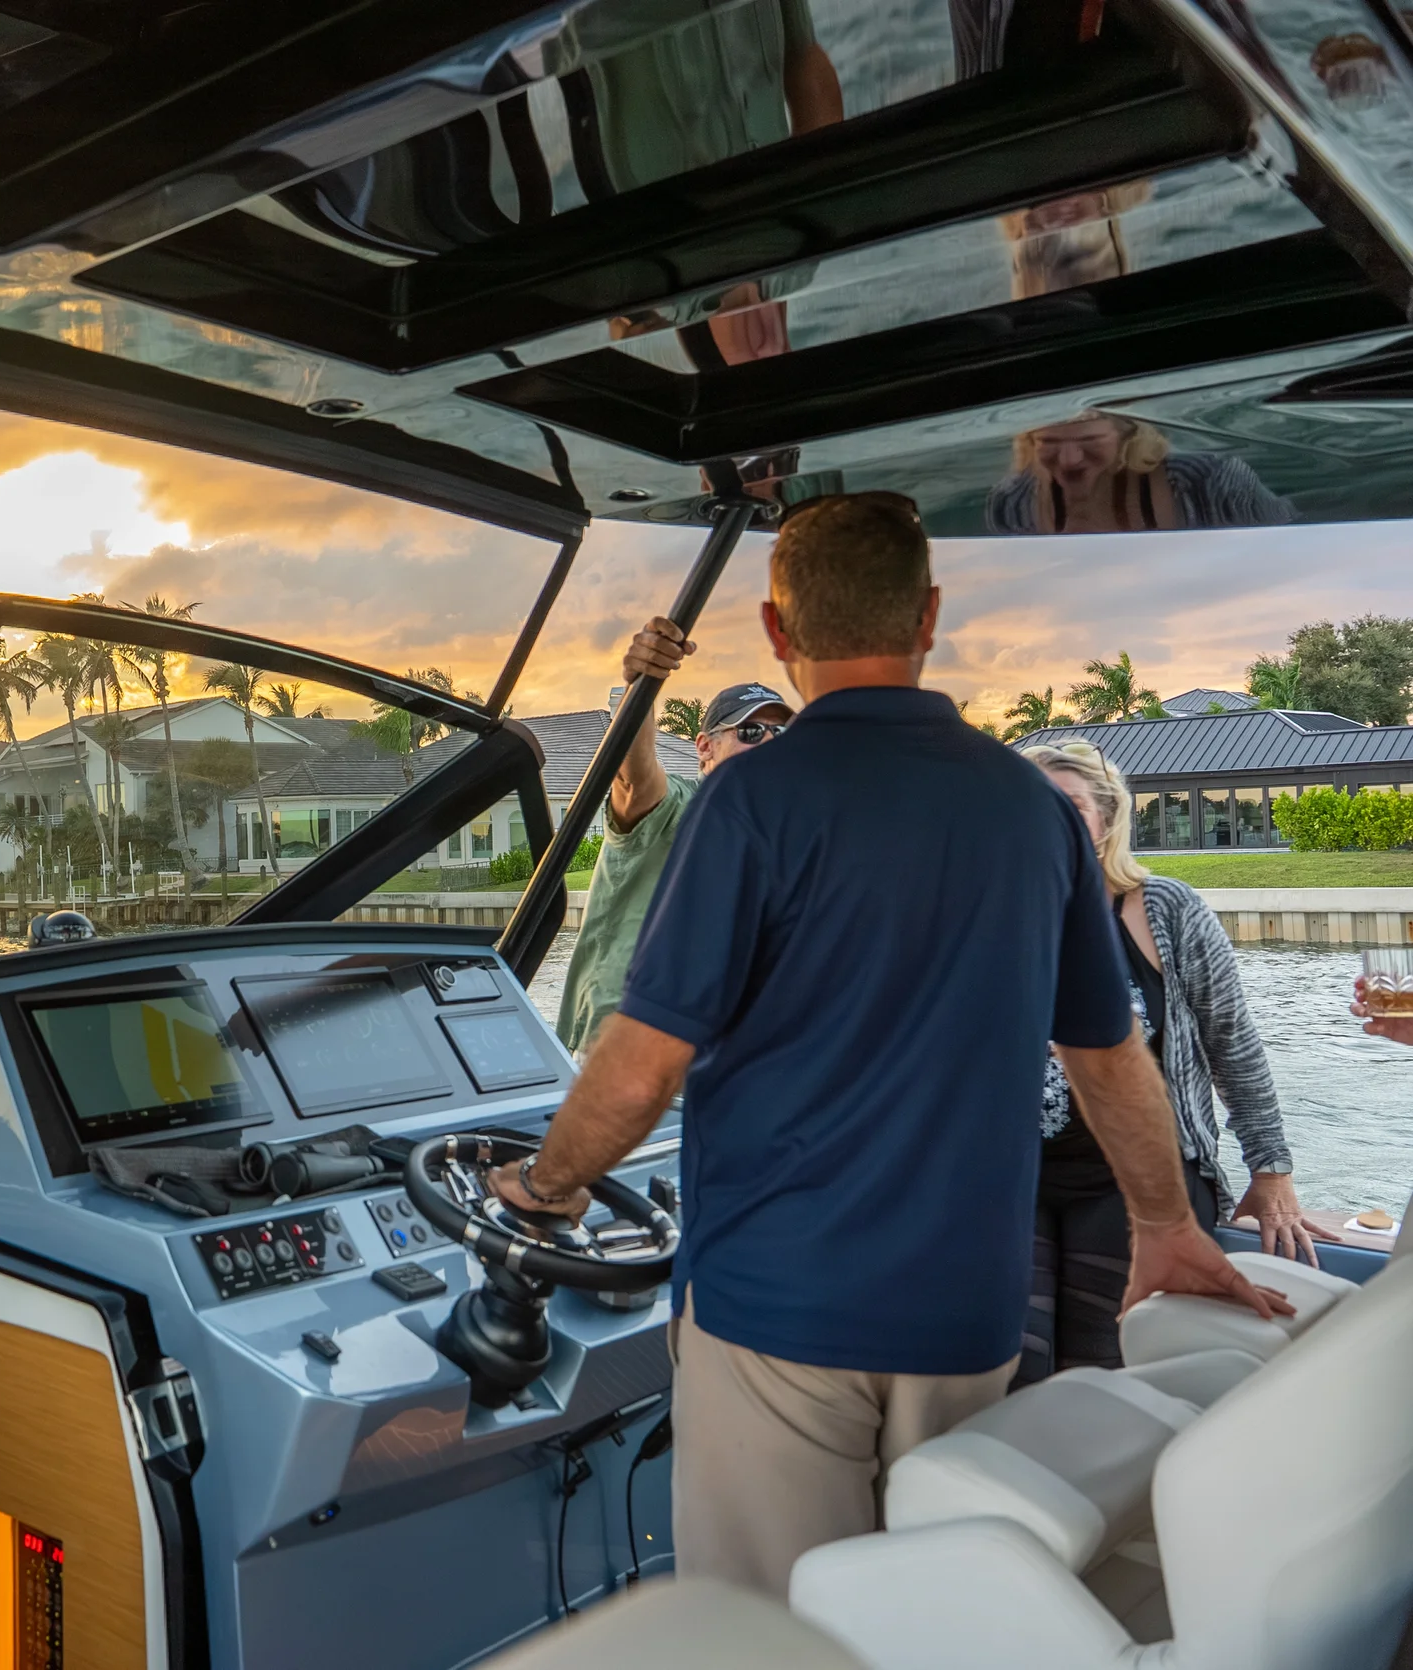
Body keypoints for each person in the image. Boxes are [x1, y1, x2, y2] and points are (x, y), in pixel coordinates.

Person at [491, 492, 1283, 1598]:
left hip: (781, 1302)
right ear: (929, 615)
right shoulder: (1030, 806)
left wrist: (541, 1186)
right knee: (924, 1597)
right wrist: (1165, 1222)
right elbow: (1109, 1056)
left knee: (775, 1620)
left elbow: (638, 1069)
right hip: (967, 1306)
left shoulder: (752, 800)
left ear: (778, 629)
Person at [1014, 742, 1330, 1384]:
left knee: (1107, 1362)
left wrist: (1270, 1172)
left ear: (1106, 819)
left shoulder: (1166, 911)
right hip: (1016, 1174)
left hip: (1139, 1180)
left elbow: (1232, 1044)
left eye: (1068, 807)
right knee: (1015, 1363)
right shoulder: (991, 917)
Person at [557, 624, 792, 1053]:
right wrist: (641, 684)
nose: (771, 744)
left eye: (782, 734)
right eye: (752, 733)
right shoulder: (678, 807)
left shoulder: (783, 841)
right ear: (705, 748)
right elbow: (634, 775)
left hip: (710, 1065)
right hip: (620, 1055)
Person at [985, 412, 1294, 533]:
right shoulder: (1011, 502)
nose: (1069, 458)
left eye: (1090, 439)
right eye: (1048, 442)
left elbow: (1290, 534)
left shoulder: (1210, 483)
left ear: (1128, 435)